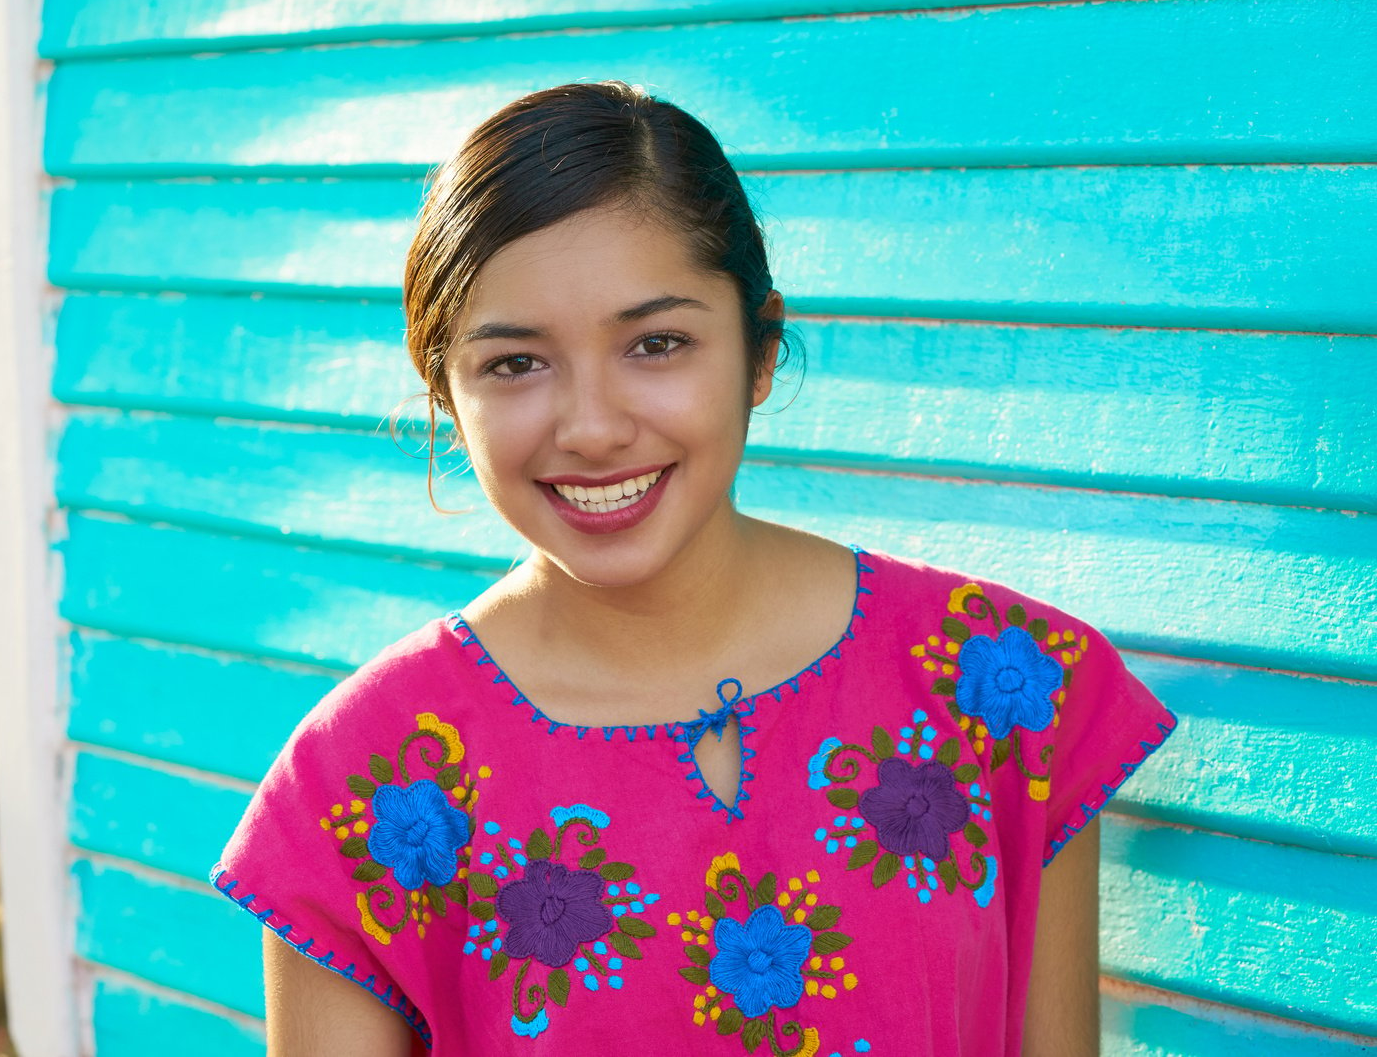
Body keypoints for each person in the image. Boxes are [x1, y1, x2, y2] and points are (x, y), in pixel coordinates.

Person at [210, 80, 1179, 1057]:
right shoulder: (370, 778)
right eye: (515, 363)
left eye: (656, 343)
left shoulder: (999, 683)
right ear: (445, 393)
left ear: (760, 350)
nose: (591, 427)